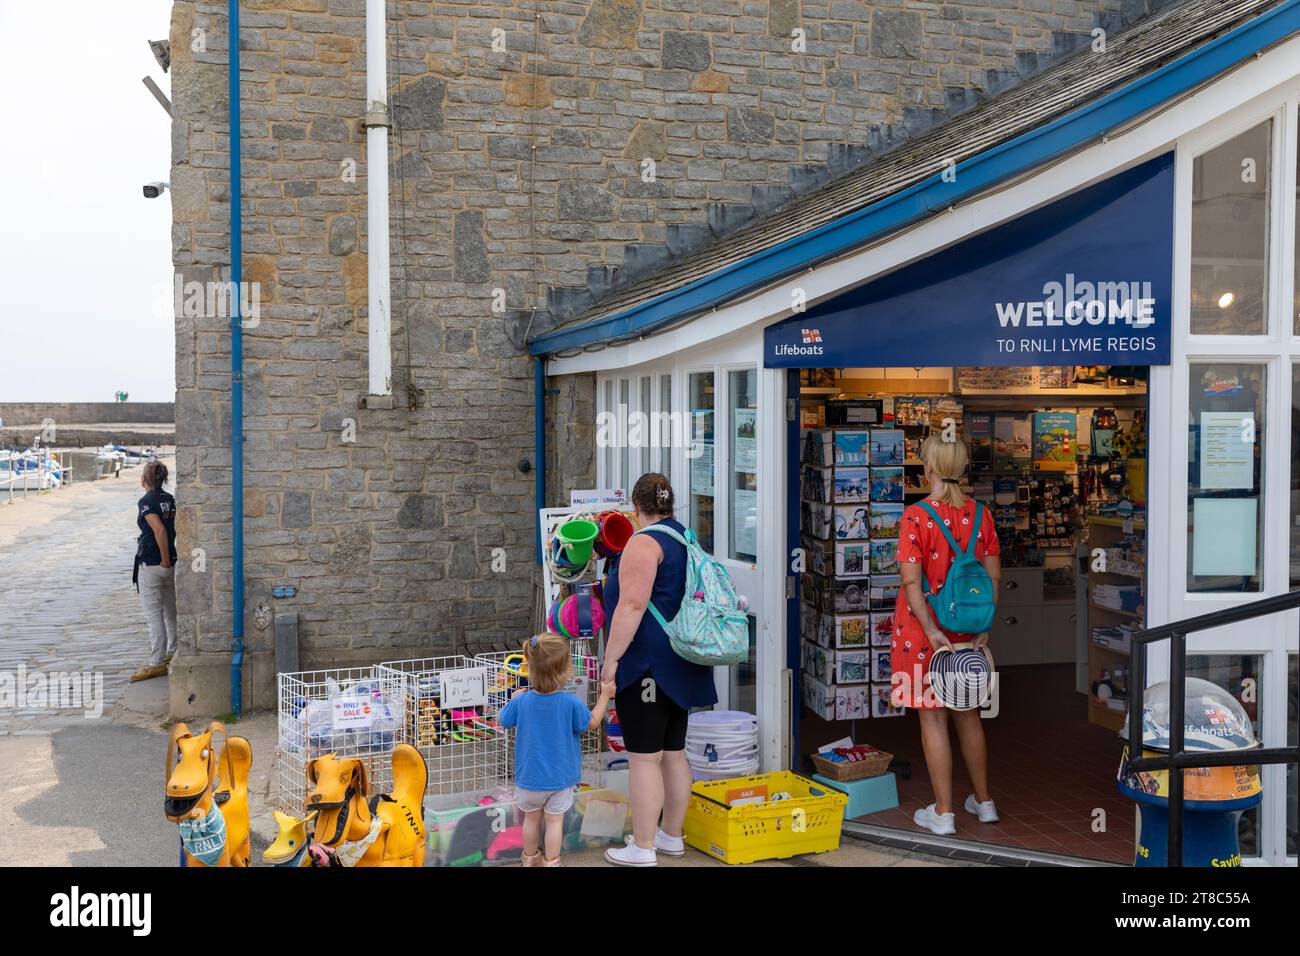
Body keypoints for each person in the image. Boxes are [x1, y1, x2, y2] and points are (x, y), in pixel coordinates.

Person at [600, 473, 718, 866]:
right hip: (682, 660)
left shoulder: (643, 543)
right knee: (674, 754)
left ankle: (644, 846)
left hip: (648, 663)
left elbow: (632, 607)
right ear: (670, 503)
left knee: (644, 758)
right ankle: (671, 837)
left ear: (635, 508)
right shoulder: (685, 536)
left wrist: (611, 659)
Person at [892, 435, 1001, 835]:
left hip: (924, 632)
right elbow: (993, 575)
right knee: (968, 714)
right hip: (968, 629)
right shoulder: (981, 515)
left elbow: (910, 581)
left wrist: (931, 630)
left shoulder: (916, 516)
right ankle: (984, 802)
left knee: (933, 719)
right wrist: (984, 625)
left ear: (930, 469)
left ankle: (944, 812)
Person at [498, 633, 616, 867]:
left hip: (528, 778)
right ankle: (552, 861)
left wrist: (512, 699)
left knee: (530, 821)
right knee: (554, 823)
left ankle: (530, 858)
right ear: (564, 671)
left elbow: (504, 719)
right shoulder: (571, 703)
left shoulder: (521, 701)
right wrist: (604, 695)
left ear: (530, 668)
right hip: (561, 778)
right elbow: (591, 723)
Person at [131, 460, 177, 682]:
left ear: (144, 480)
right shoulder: (170, 500)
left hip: (153, 563)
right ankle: (173, 650)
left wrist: (164, 559)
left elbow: (159, 531)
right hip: (170, 564)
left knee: (154, 615)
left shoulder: (146, 501)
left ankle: (156, 662)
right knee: (171, 611)